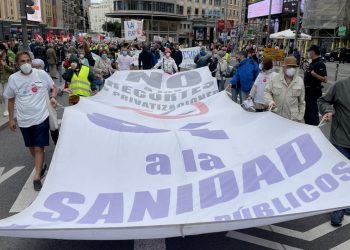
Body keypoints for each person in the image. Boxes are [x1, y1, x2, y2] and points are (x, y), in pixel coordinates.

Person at [3, 51, 58, 191]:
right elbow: (10, 99)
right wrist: (11, 119)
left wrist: (53, 97)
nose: (26, 64)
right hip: (24, 119)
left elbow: (54, 87)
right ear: (17, 64)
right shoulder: (13, 79)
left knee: (39, 147)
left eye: (28, 60)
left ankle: (37, 175)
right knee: (31, 147)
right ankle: (41, 165)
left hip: (41, 116)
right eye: (22, 61)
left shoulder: (41, 74)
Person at [318, 77, 350, 226]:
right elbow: (323, 100)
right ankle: (337, 211)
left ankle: (346, 204)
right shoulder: (340, 85)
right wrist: (328, 110)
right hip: (341, 140)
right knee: (341, 177)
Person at [265, 56, 305, 121]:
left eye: (293, 67)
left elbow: (302, 102)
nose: (292, 69)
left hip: (292, 119)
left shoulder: (299, 81)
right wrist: (270, 101)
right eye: (289, 66)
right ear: (284, 67)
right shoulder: (275, 78)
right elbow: (267, 91)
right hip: (275, 115)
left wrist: (299, 117)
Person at [32, 58, 59, 145]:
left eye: (38, 67)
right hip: (34, 105)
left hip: (46, 101)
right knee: (37, 126)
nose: (35, 69)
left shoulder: (43, 74)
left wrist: (53, 97)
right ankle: (40, 146)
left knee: (53, 124)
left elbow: (54, 87)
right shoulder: (28, 76)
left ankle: (57, 143)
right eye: (34, 67)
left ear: (42, 67)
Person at [304, 45, 327, 125]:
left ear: (313, 52)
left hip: (314, 92)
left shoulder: (320, 64)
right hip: (307, 92)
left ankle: (314, 130)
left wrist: (314, 74)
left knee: (313, 114)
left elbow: (325, 79)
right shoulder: (312, 63)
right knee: (307, 113)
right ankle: (308, 128)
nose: (308, 53)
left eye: (309, 51)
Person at [0, 43, 15, 117]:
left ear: (3, 50)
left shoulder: (9, 57)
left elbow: (13, 69)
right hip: (1, 79)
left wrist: (4, 65)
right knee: (1, 94)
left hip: (7, 79)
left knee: (6, 95)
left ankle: (6, 109)